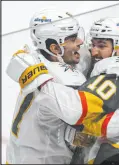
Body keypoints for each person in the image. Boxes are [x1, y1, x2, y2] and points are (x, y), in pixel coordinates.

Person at [6, 15, 119, 165]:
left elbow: (105, 124)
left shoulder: (116, 70)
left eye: (101, 45)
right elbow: (93, 119)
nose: (89, 48)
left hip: (117, 153)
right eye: (73, 38)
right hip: (90, 154)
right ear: (55, 47)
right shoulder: (69, 72)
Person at [5, 9, 93, 164]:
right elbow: (76, 113)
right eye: (73, 38)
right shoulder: (48, 75)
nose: (80, 42)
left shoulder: (51, 58)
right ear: (55, 48)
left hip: (34, 154)